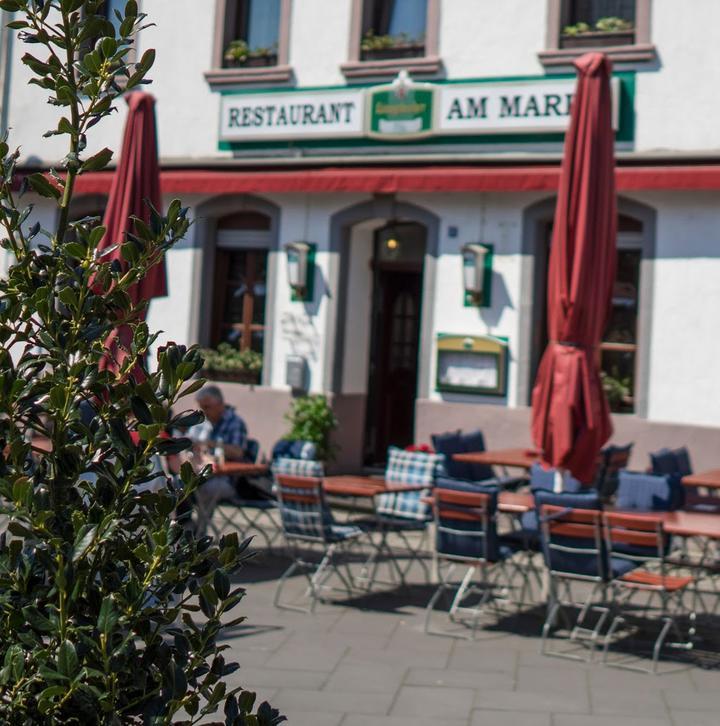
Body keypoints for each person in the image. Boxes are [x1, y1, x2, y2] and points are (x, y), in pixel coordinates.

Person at [187, 385, 249, 533]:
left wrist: (211, 444)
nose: (205, 412)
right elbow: (188, 443)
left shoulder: (235, 422)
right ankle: (183, 526)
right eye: (202, 407)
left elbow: (238, 452)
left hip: (226, 480)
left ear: (220, 404)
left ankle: (198, 537)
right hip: (198, 473)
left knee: (208, 489)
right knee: (176, 484)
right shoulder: (201, 421)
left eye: (207, 407)